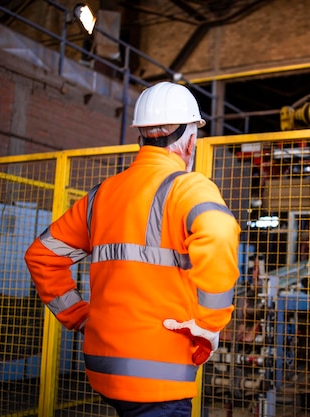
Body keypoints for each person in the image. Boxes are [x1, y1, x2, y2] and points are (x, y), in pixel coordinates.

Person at [25, 81, 240, 417]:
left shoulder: (101, 195)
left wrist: (79, 316)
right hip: (160, 377)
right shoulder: (189, 187)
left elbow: (41, 255)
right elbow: (219, 230)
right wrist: (210, 324)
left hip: (102, 368)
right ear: (191, 139)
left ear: (140, 136)